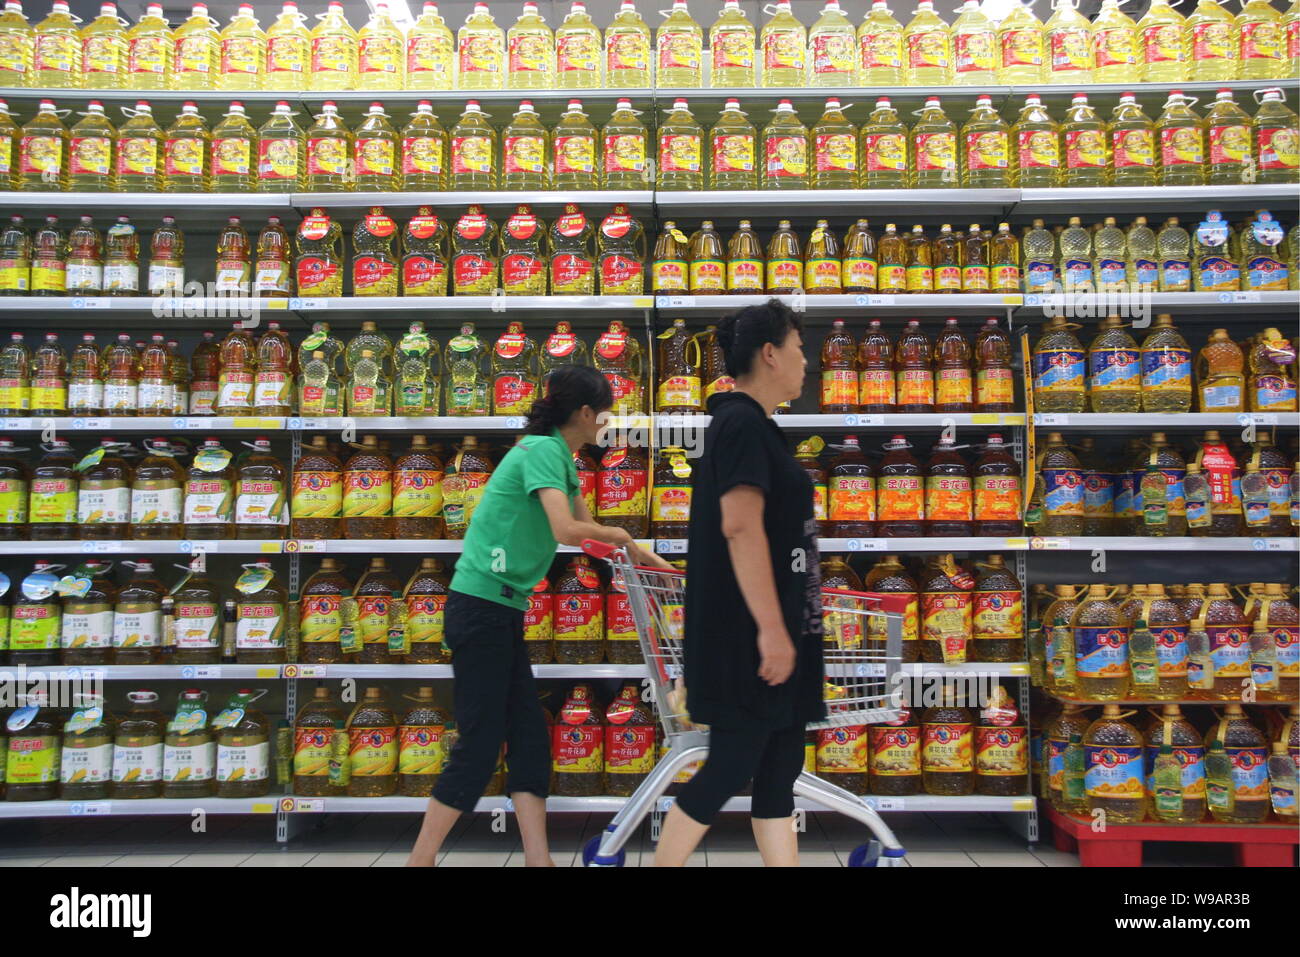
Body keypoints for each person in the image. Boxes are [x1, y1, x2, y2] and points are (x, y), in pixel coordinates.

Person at [407, 365, 669, 867]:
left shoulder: (561, 456)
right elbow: (567, 531)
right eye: (606, 413)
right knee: (481, 742)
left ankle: (538, 860)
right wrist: (627, 541)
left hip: (501, 609)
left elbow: (588, 532)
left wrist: (655, 564)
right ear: (587, 412)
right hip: (480, 606)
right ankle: (419, 860)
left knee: (528, 737)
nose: (609, 424)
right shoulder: (544, 450)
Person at [655, 298, 824, 868]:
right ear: (771, 354)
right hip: (746, 636)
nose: (807, 362)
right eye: (800, 349)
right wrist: (772, 631)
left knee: (780, 770)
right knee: (730, 765)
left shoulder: (761, 428)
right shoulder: (739, 424)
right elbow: (739, 525)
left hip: (780, 632)